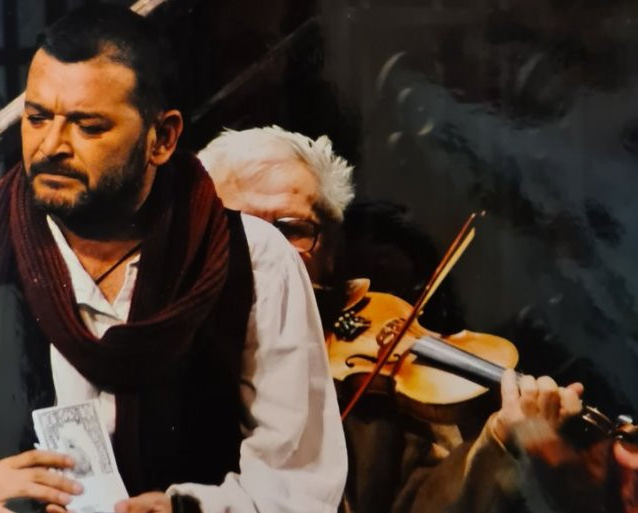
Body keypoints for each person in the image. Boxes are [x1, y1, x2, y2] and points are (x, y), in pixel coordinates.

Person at [0, 7, 347, 513]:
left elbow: (300, 476)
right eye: (38, 118)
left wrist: (193, 509)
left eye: (89, 126)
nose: (51, 146)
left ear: (161, 138)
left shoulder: (255, 258)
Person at [199, 125, 586, 513]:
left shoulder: (378, 395)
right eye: (242, 225)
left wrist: (501, 443)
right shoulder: (171, 346)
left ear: (331, 251)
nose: (268, 248)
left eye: (292, 229)